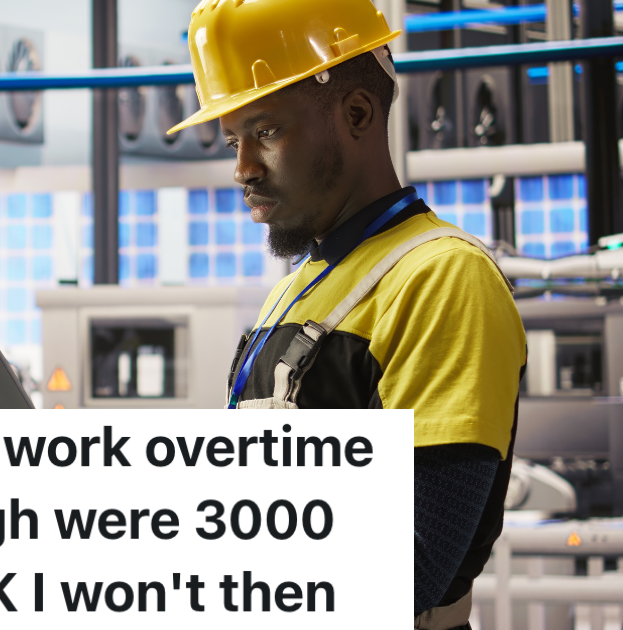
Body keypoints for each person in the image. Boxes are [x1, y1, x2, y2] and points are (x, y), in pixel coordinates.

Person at [168, 1, 527, 627]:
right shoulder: (301, 287)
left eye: (266, 132)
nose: (241, 168)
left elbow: (413, 565)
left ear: (356, 113)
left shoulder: (442, 278)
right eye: (233, 140)